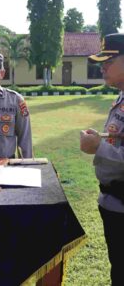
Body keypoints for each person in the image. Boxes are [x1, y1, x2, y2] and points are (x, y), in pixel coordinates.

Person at [80, 33, 124, 286]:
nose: (102, 66)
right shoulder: (120, 96)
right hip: (113, 203)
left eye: (109, 61)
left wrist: (99, 147)